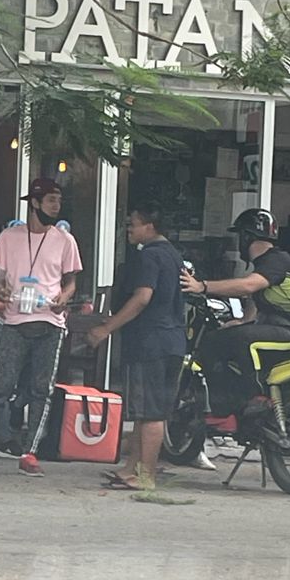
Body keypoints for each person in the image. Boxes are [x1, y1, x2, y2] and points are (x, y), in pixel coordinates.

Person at [0, 178, 82, 478]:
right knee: (0, 386)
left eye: (59, 200)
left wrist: (64, 298)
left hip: (50, 321)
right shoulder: (9, 236)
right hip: (15, 319)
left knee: (42, 389)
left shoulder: (65, 240)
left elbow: (71, 282)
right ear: (35, 203)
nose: (56, 206)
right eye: (51, 200)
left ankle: (30, 452)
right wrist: (0, 290)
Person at [87, 205, 185, 491]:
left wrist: (107, 327)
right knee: (145, 410)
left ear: (150, 227)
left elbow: (142, 297)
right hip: (173, 340)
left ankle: (146, 477)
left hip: (149, 341)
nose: (128, 228)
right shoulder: (174, 255)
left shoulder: (149, 256)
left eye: (133, 224)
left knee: (151, 412)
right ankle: (131, 468)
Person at [179, 208, 290, 401]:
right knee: (236, 333)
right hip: (288, 329)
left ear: (246, 237)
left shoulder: (276, 259)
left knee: (216, 341)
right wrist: (244, 321)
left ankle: (245, 399)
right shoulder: (267, 263)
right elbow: (256, 296)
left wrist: (202, 286)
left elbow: (249, 286)